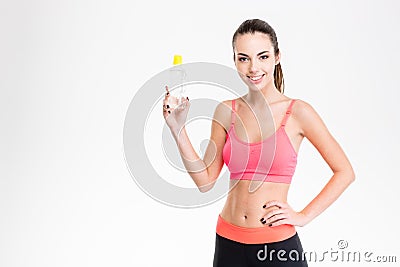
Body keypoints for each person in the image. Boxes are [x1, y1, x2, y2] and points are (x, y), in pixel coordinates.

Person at [162, 18, 355, 267]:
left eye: (262, 56)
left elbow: (345, 172)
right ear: (235, 61)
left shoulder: (297, 112)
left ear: (277, 57)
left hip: (277, 248)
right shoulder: (226, 111)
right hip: (228, 243)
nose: (254, 67)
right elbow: (206, 181)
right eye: (244, 58)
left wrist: (304, 216)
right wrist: (178, 128)